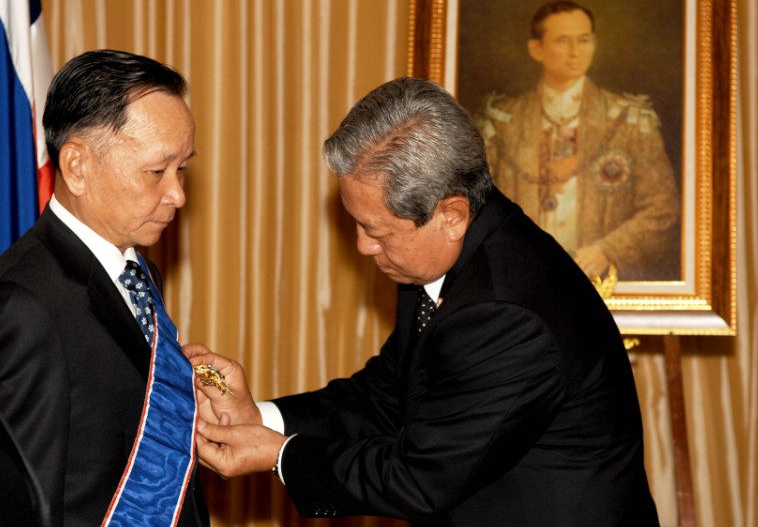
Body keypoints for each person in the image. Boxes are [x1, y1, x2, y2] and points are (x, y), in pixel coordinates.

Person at [185, 77, 660, 525]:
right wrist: (261, 418)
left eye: (376, 230)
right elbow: (389, 395)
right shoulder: (446, 258)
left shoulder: (504, 312)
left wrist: (279, 454)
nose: (363, 246)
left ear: (451, 215)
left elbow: (420, 477)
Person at [0, 49, 209, 525]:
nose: (178, 194)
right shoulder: (23, 304)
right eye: (156, 172)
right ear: (77, 166)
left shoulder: (139, 273)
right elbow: (26, 502)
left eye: (182, 169)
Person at [476, 0, 679, 280]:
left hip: (602, 286)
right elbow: (476, 209)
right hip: (521, 282)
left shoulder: (630, 121)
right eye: (562, 41)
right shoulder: (501, 123)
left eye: (583, 40)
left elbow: (662, 209)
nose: (575, 52)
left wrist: (608, 250)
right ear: (536, 49)